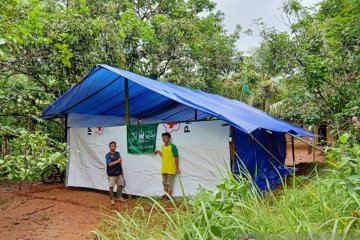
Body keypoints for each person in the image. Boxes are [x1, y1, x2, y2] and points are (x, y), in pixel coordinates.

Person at [154, 132, 179, 199]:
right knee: (164, 183)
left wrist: (177, 168)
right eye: (163, 138)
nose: (163, 139)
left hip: (171, 169)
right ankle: (166, 195)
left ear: (169, 138)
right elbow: (164, 156)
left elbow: (176, 157)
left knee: (169, 184)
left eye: (165, 138)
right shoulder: (163, 147)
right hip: (164, 168)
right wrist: (158, 152)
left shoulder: (173, 146)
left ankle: (169, 198)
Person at [105, 141, 126, 205]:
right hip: (112, 174)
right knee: (111, 187)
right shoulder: (107, 155)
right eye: (112, 146)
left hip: (118, 173)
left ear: (116, 147)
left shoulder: (117, 153)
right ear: (109, 147)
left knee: (120, 185)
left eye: (114, 146)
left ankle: (119, 197)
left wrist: (121, 171)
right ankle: (112, 199)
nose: (113, 147)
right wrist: (118, 161)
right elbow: (110, 164)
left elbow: (120, 162)